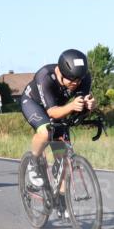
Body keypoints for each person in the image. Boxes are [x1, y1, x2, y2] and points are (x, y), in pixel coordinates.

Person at [20, 49, 97, 193]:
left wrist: (90, 105)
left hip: (59, 107)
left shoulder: (84, 77)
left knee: (64, 163)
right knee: (46, 132)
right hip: (34, 104)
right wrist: (72, 106)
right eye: (72, 79)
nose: (76, 83)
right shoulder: (45, 76)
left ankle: (61, 203)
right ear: (61, 72)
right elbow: (52, 112)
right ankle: (33, 163)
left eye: (79, 80)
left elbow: (80, 104)